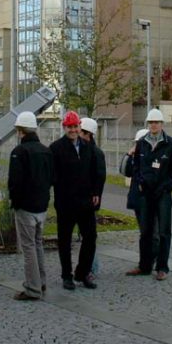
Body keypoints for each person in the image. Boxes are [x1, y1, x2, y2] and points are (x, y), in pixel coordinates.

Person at [125, 108, 172, 281]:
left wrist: (166, 188)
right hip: (146, 194)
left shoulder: (170, 144)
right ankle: (144, 265)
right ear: (148, 124)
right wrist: (141, 182)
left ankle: (162, 267)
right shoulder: (142, 143)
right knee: (146, 232)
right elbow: (136, 166)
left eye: (156, 122)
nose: (154, 125)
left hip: (163, 194)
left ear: (162, 124)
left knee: (164, 232)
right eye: (151, 123)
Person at [50, 110, 104, 291]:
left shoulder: (88, 147)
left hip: (85, 202)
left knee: (90, 237)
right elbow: (53, 176)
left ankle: (83, 272)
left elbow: (96, 172)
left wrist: (96, 192)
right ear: (64, 127)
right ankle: (67, 275)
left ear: (79, 127)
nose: (72, 130)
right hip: (66, 203)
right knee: (64, 240)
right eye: (69, 127)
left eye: (75, 126)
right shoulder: (56, 148)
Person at [7, 110, 54, 301]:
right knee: (38, 244)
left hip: (25, 206)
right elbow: (52, 177)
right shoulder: (46, 150)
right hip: (41, 205)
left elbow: (15, 182)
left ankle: (33, 288)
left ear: (20, 131)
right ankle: (40, 281)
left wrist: (15, 201)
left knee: (28, 248)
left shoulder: (19, 152)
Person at [78, 117, 106, 279]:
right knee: (86, 236)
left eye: (80, 131)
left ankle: (91, 268)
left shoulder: (95, 153)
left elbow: (100, 177)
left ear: (88, 134)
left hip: (88, 202)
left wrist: (95, 196)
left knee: (88, 236)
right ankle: (89, 267)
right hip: (80, 200)